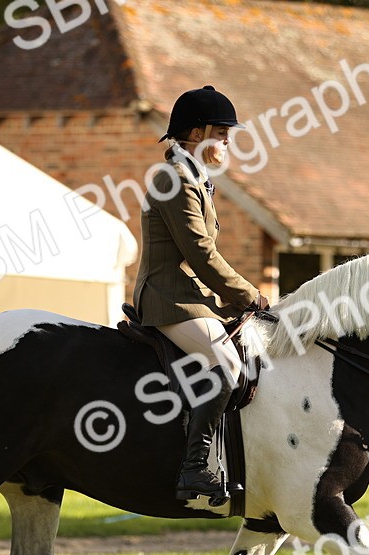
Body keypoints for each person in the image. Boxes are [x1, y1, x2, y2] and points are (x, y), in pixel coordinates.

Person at [134, 85, 269, 503]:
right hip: (167, 298)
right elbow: (201, 253)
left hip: (188, 295)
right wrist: (249, 295)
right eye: (222, 132)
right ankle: (193, 469)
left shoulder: (194, 177)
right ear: (196, 133)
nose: (228, 141)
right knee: (227, 363)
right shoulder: (173, 179)